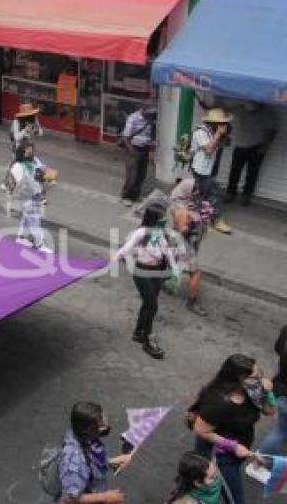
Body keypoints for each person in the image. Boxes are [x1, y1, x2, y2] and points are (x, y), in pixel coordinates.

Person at [191, 354, 276, 504]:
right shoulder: (218, 403)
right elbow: (201, 430)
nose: (260, 378)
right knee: (235, 500)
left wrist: (267, 393)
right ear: (240, 379)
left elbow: (269, 411)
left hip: (239, 449)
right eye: (256, 376)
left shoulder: (252, 389)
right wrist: (234, 446)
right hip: (222, 457)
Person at [111, 203, 178, 360]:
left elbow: (166, 250)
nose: (165, 220)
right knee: (152, 306)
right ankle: (148, 340)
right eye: (162, 217)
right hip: (142, 272)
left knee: (148, 304)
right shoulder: (141, 232)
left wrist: (174, 268)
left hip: (157, 273)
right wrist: (116, 256)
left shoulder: (159, 233)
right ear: (154, 218)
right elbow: (126, 248)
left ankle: (139, 332)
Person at [57, 402, 131, 504]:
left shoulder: (82, 435)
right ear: (89, 429)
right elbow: (70, 499)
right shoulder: (74, 461)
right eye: (101, 425)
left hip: (94, 489)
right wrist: (105, 497)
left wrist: (112, 462)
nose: (106, 427)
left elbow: (90, 462)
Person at [169, 178, 209, 317]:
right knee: (195, 272)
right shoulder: (181, 210)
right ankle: (192, 302)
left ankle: (165, 282)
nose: (197, 192)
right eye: (194, 190)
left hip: (185, 242)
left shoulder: (185, 202)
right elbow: (183, 230)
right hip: (186, 244)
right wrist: (190, 223)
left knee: (172, 261)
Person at [225, 102, 278, 206]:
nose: (250, 106)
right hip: (240, 145)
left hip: (257, 147)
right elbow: (226, 111)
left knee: (252, 173)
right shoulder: (241, 109)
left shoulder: (267, 114)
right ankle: (230, 193)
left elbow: (272, 131)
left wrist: (265, 146)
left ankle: (246, 195)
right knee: (235, 171)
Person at [190, 109, 232, 234]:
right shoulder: (200, 132)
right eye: (221, 123)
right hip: (201, 169)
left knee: (203, 194)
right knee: (213, 195)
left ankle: (199, 217)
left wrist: (224, 135)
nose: (223, 125)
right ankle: (217, 220)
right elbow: (208, 150)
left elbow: (227, 144)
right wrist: (218, 134)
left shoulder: (212, 131)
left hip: (210, 168)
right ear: (213, 122)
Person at [9, 140, 52, 253]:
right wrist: (36, 177)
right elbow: (23, 184)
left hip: (36, 195)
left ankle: (21, 237)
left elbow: (41, 169)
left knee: (27, 218)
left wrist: (43, 172)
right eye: (28, 152)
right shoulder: (17, 166)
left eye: (31, 151)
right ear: (22, 153)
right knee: (34, 220)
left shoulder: (35, 160)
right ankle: (39, 244)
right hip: (25, 197)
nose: (31, 154)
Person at [257, 325, 287, 456]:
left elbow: (277, 347)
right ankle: (259, 462)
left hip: (281, 387)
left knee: (281, 429)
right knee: (281, 431)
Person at [119, 106, 156, 206]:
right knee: (132, 175)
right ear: (142, 110)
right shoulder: (133, 118)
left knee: (141, 175)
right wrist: (132, 151)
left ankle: (134, 196)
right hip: (133, 148)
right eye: (148, 115)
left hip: (145, 148)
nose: (150, 117)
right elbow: (125, 137)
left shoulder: (150, 119)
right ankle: (125, 196)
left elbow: (151, 134)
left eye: (151, 115)